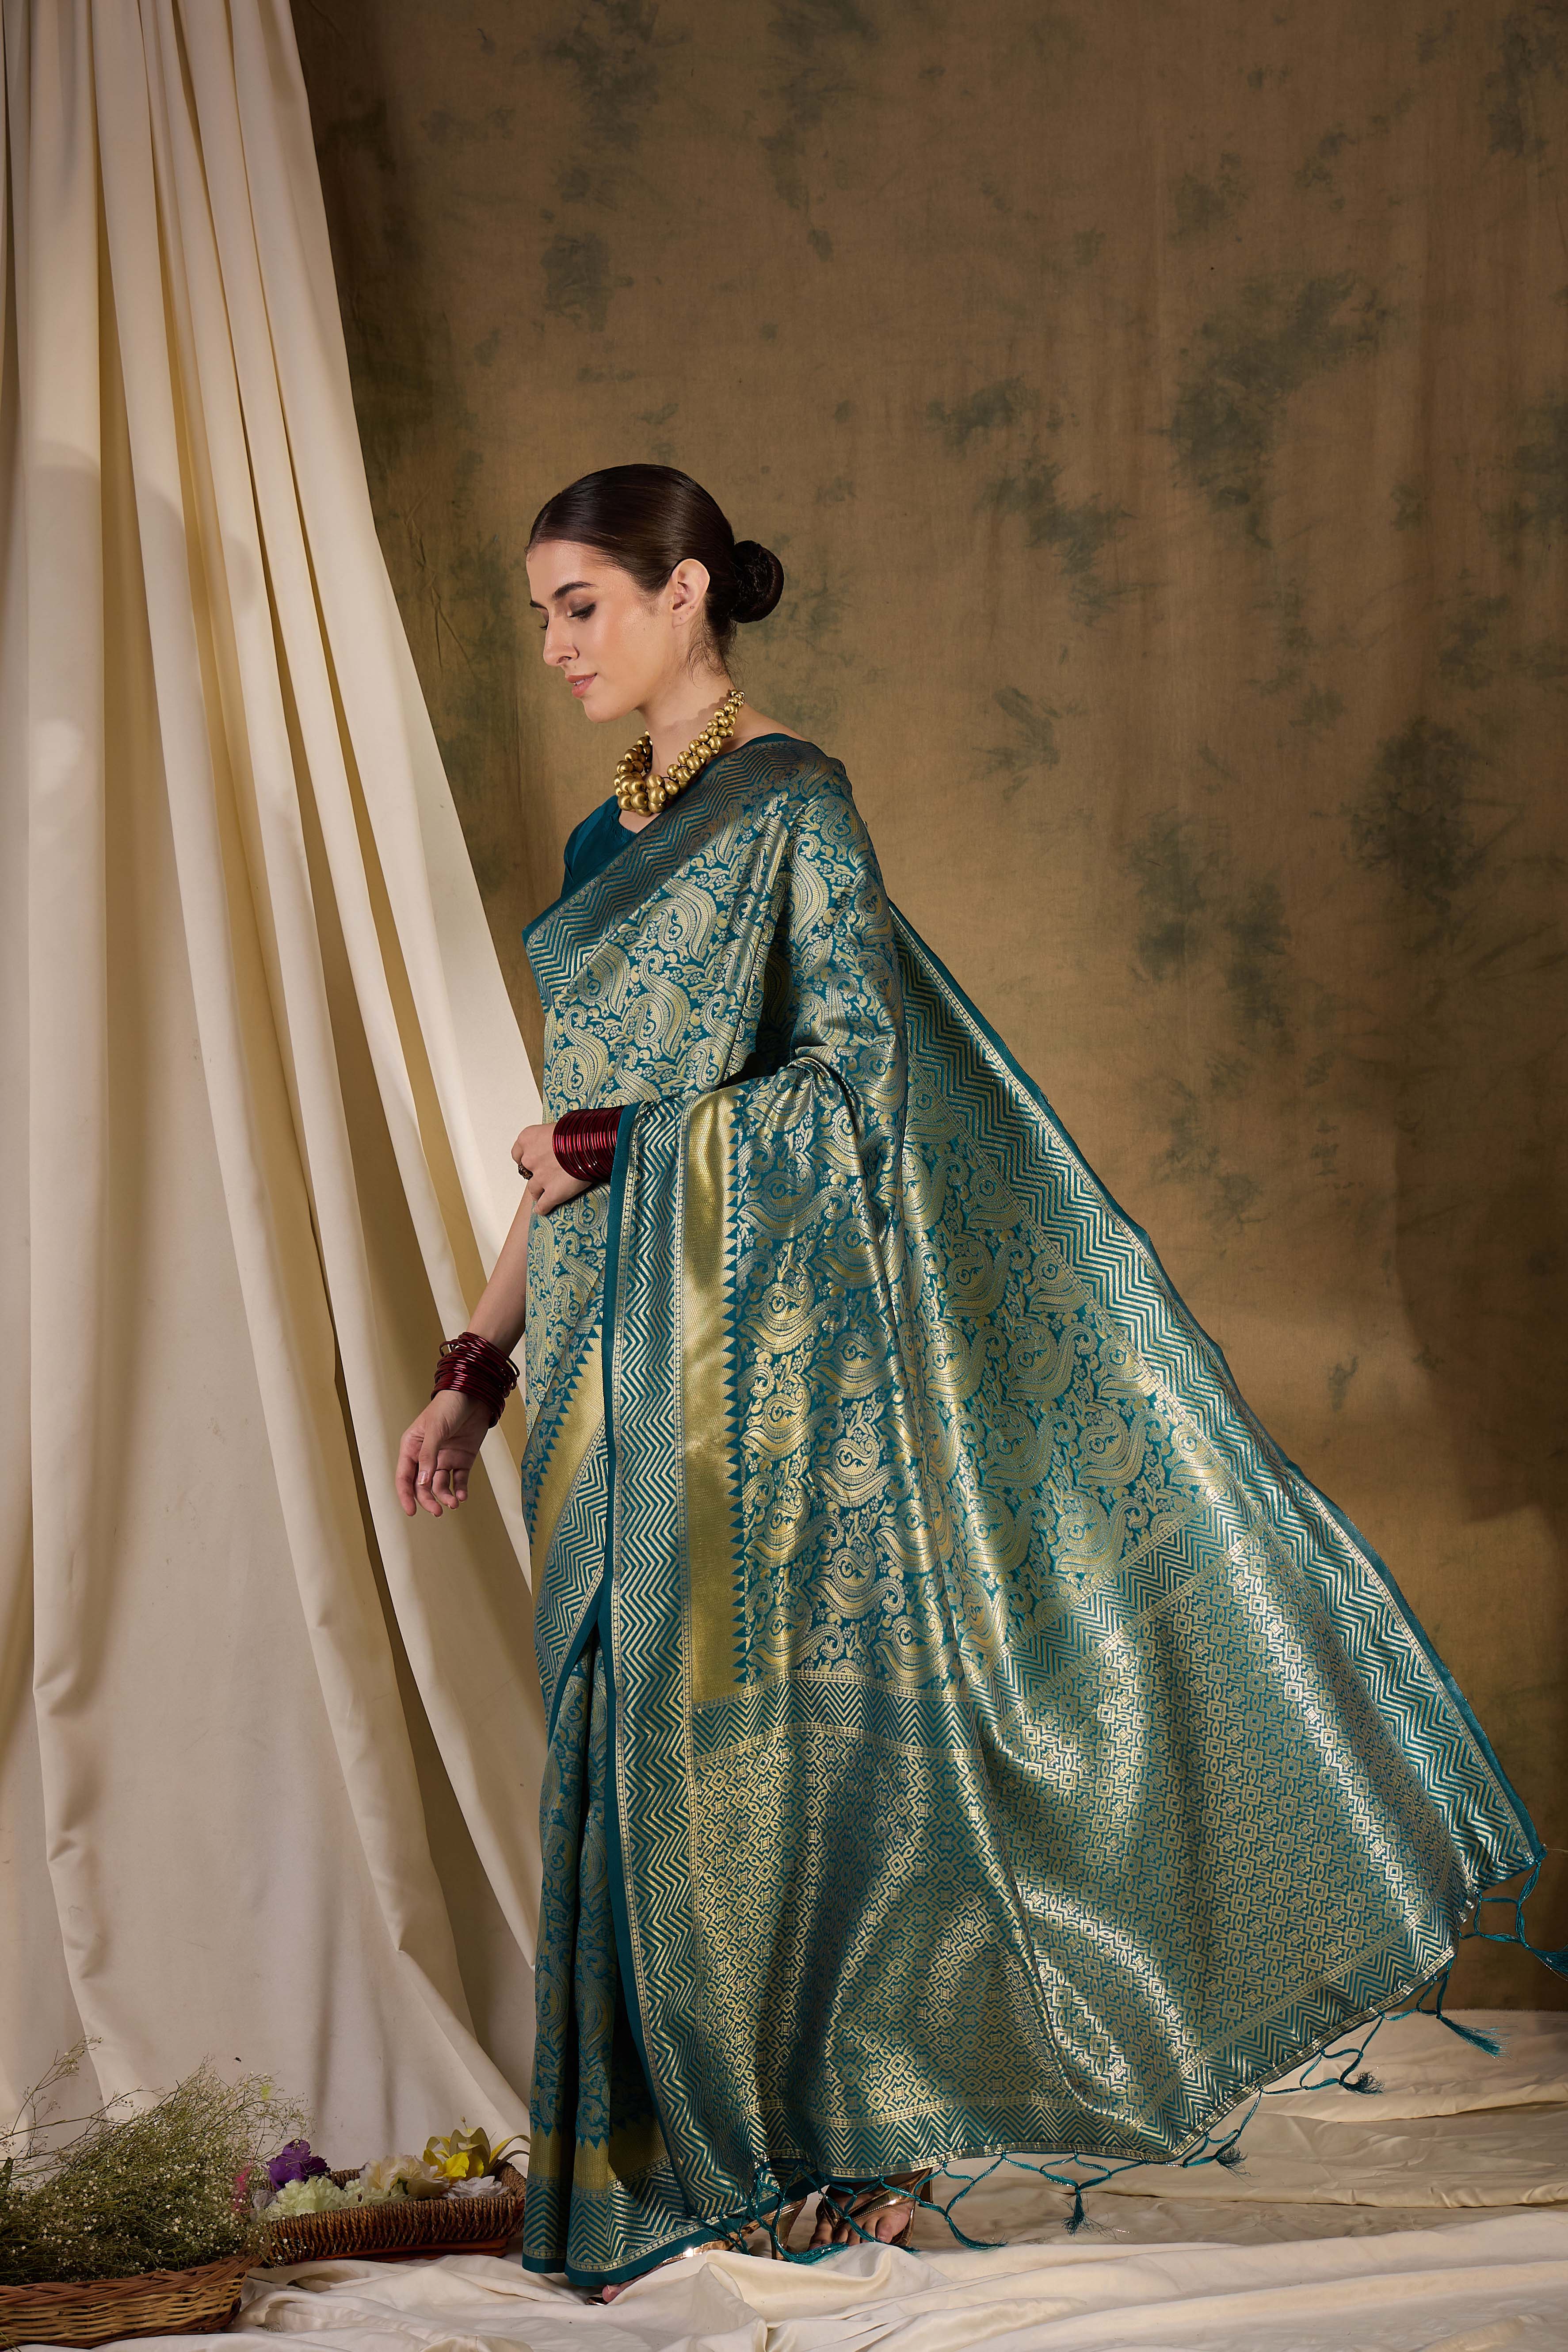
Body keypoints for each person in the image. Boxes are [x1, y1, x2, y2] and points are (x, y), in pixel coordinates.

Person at [395, 464, 1549, 2300]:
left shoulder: (794, 805)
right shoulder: (606, 841)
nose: (551, 644)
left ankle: (831, 2155)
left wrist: (617, 1143)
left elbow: (851, 1091)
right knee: (623, 1751)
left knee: (763, 1765)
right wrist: (476, 1364)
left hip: (754, 1384)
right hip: (609, 1377)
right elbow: (560, 1146)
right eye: (540, 612)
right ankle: (674, 2161)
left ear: (686, 591)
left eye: (580, 604)